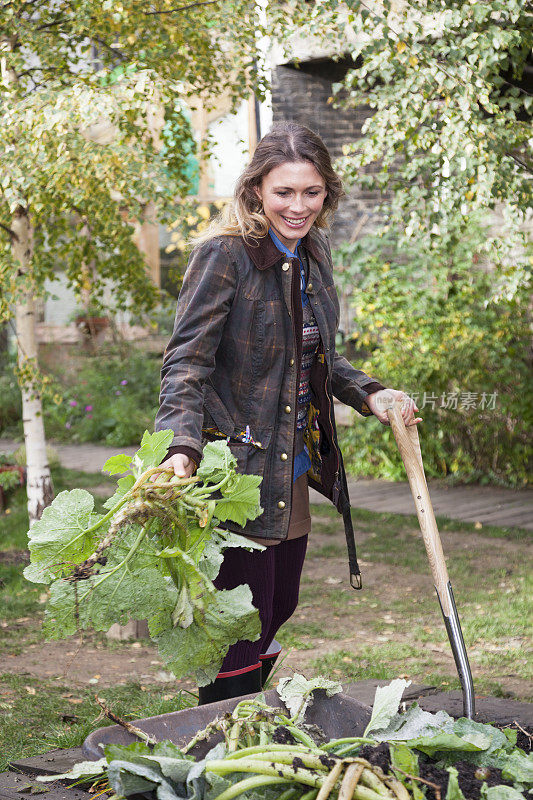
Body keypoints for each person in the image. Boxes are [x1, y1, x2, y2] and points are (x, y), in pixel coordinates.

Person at [154, 122, 421, 704]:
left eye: (311, 192)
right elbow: (185, 361)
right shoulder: (224, 257)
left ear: (327, 193)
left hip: (290, 463)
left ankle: (239, 720)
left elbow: (316, 353)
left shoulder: (313, 253)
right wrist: (181, 444)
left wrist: (371, 394)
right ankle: (225, 733)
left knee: (280, 605)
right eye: (284, 193)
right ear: (256, 191)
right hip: (234, 469)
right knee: (239, 621)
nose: (298, 207)